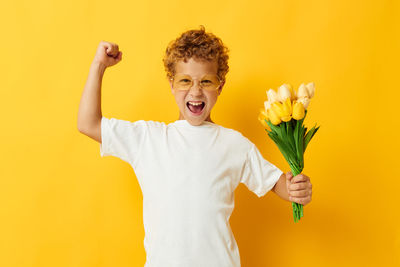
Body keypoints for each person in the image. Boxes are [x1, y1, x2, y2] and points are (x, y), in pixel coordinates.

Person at [77, 25, 313, 267]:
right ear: (172, 84)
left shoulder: (234, 144)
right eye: (185, 80)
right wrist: (99, 66)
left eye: (206, 81)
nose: (196, 91)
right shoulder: (148, 139)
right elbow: (88, 123)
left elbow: (275, 183)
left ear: (220, 87)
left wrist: (296, 189)